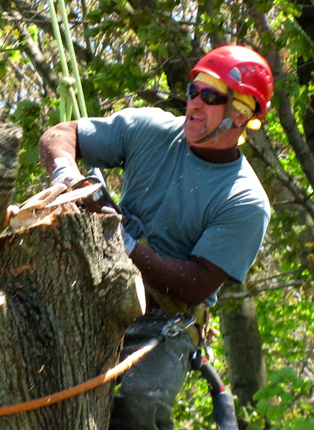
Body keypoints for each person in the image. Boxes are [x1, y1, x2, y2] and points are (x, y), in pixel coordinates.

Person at [38, 45, 273, 429]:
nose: (194, 103)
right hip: (97, 288)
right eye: (193, 91)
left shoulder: (244, 200)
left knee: (139, 404)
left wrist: (124, 245)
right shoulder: (151, 130)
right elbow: (61, 134)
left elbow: (195, 284)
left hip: (165, 318)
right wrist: (66, 174)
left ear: (241, 113)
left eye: (210, 96)